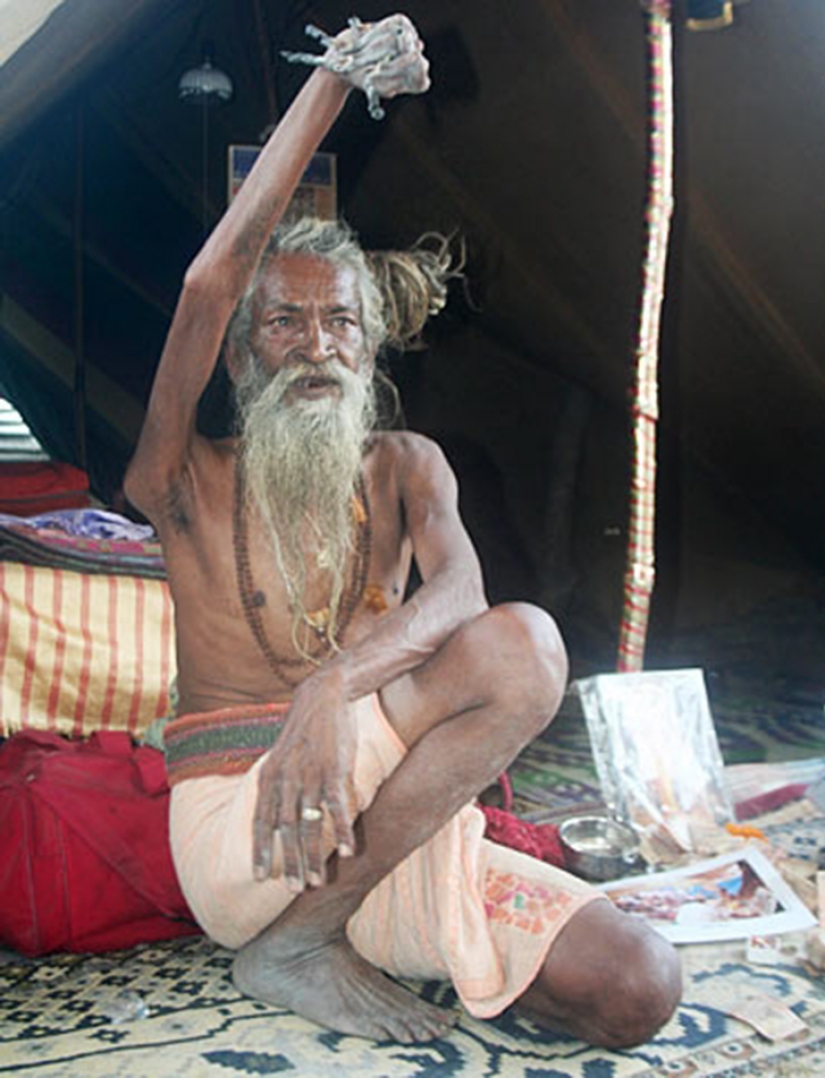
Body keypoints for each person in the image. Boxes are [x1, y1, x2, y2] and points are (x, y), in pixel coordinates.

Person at [125, 13, 681, 1048]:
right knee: (526, 647)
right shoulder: (185, 480)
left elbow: (460, 593)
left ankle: (328, 934)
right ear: (241, 358)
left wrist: (330, 689)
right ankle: (294, 943)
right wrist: (333, 82)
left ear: (369, 348)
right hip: (248, 834)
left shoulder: (407, 463)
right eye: (283, 322)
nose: (316, 345)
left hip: (382, 826)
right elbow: (208, 284)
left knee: (637, 984)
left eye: (339, 321)